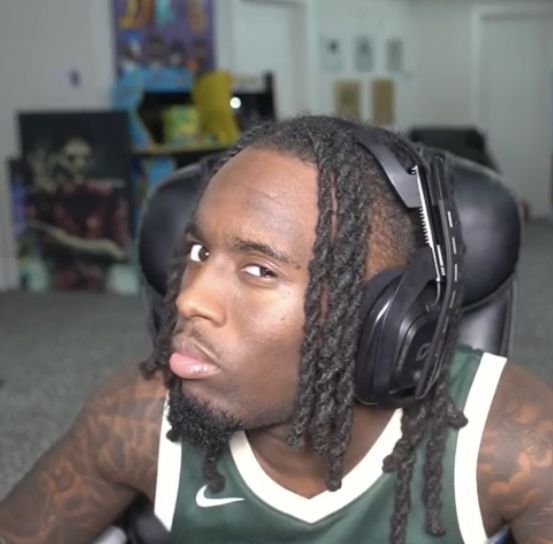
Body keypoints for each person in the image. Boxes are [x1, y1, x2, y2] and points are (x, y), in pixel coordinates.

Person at [0, 116, 552, 544]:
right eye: (198, 251)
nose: (189, 298)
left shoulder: (516, 445)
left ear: (382, 317)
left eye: (259, 269)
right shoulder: (136, 419)